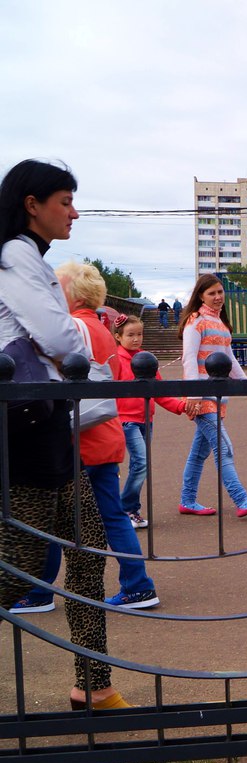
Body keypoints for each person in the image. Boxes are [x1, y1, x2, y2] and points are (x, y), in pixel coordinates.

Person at [0, 159, 128, 710]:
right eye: (65, 201)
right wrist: (67, 348)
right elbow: (59, 337)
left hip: (48, 421)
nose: (74, 212)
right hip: (27, 428)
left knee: (87, 549)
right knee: (19, 567)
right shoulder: (14, 255)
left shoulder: (30, 258)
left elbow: (59, 342)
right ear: (32, 205)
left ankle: (93, 685)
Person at [17, 263, 165, 612]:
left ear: (73, 292)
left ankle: (39, 592)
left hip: (77, 438)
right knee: (111, 515)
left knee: (50, 516)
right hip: (103, 433)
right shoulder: (100, 328)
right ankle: (138, 585)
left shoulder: (72, 327)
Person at [177, 274, 247, 517]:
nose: (218, 297)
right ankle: (241, 499)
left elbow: (230, 360)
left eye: (220, 292)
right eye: (212, 293)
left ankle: (187, 500)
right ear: (200, 296)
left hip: (216, 396)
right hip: (202, 397)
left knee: (199, 453)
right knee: (224, 447)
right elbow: (189, 358)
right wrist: (194, 394)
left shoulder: (220, 323)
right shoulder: (196, 321)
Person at [113, 315, 186, 527]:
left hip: (146, 420)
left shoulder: (147, 359)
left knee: (139, 464)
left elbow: (159, 392)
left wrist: (180, 406)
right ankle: (126, 508)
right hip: (126, 420)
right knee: (141, 463)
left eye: (139, 334)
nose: (136, 339)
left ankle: (130, 510)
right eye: (130, 335)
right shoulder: (116, 360)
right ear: (118, 337)